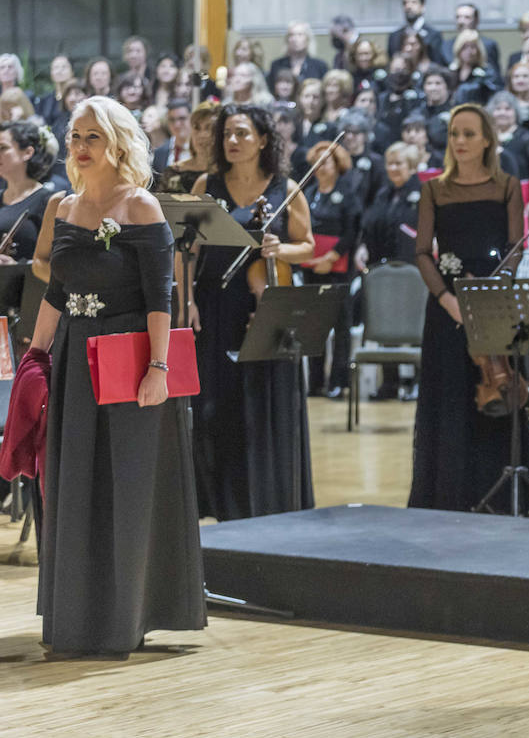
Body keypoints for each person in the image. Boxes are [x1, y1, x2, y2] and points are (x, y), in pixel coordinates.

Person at [32, 95, 204, 655]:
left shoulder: (142, 208)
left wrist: (159, 368)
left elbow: (162, 299)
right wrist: (36, 357)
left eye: (92, 138)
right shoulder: (63, 206)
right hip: (75, 357)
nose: (80, 148)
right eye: (75, 137)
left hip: (129, 358)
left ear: (117, 143)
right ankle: (78, 614)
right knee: (75, 481)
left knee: (125, 486)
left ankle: (126, 615)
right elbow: (56, 291)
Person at [189, 103, 316, 520]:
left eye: (242, 133)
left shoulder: (285, 188)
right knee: (216, 407)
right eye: (227, 134)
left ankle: (270, 500)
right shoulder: (207, 185)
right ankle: (222, 503)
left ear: (263, 139)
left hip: (267, 306)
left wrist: (281, 249)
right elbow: (186, 249)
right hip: (215, 305)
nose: (232, 141)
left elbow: (308, 246)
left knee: (264, 406)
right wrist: (186, 300)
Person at [408, 103, 529, 511]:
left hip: (493, 303)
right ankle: (447, 493)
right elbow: (423, 252)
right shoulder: (434, 189)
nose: (459, 141)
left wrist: (497, 286)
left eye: (468, 134)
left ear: (486, 141)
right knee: (450, 396)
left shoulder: (507, 187)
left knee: (496, 388)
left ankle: (497, 493)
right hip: (447, 307)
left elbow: (516, 249)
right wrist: (447, 299)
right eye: (454, 134)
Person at [356, 142, 423, 401]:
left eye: (399, 164)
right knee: (386, 324)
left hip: (413, 272)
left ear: (412, 167)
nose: (393, 168)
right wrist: (362, 247)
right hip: (382, 270)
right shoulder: (383, 193)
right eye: (390, 163)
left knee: (416, 328)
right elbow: (369, 225)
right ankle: (390, 384)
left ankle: (418, 383)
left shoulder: (423, 192)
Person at [296, 140, 361, 399]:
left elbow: (353, 230)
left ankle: (338, 381)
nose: (321, 166)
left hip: (338, 267)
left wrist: (331, 257)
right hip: (311, 266)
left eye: (327, 161)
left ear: (337, 165)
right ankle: (315, 381)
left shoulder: (347, 193)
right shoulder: (309, 193)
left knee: (340, 324)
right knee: (314, 324)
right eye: (318, 161)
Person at [0, 121, 57, 262]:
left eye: (3, 148)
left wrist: (15, 266)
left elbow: (53, 261)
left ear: (28, 152)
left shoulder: (48, 201)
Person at [157, 100, 217, 193]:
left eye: (209, 128)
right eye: (197, 127)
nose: (202, 135)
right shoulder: (174, 172)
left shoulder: (232, 172)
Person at [388, 0, 447, 64]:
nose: (408, 6)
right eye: (405, 3)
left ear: (422, 7)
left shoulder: (434, 35)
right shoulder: (394, 36)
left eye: (414, 2)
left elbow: (438, 63)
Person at [453, 2, 502, 74]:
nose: (461, 21)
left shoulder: (488, 45)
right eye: (458, 17)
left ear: (476, 20)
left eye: (467, 17)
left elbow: (495, 75)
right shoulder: (447, 45)